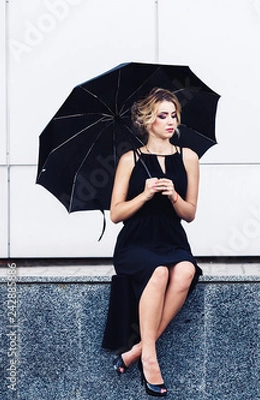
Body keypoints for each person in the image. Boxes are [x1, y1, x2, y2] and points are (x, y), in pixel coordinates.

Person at [105, 87, 201, 397]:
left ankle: (135, 350)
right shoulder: (129, 160)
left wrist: (174, 196)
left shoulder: (188, 157)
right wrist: (144, 194)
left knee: (186, 270)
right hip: (136, 241)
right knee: (159, 271)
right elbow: (116, 214)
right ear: (148, 121)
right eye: (162, 116)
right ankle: (149, 357)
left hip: (172, 236)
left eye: (173, 115)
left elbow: (190, 214)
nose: (170, 121)